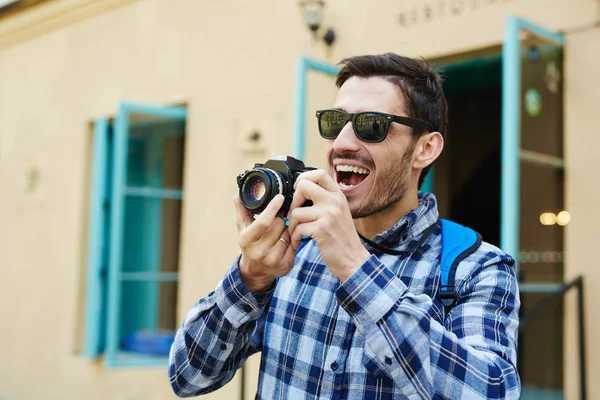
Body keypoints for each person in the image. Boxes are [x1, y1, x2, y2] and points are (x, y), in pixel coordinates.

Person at [168, 53, 521, 399]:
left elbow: (493, 391)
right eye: (335, 123)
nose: (342, 144)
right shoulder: (296, 250)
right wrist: (250, 278)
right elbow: (188, 377)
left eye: (371, 126)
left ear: (425, 149)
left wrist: (356, 267)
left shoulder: (477, 269)